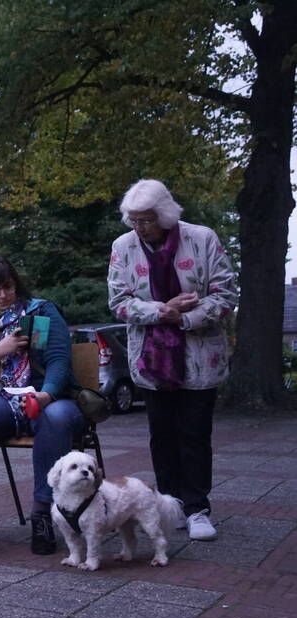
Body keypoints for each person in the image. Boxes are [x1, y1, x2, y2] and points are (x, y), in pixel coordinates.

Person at [108, 179, 237, 541]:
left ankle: (197, 508)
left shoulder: (203, 239)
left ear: (164, 215)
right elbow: (118, 300)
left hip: (199, 357)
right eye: (133, 220)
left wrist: (184, 318)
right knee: (161, 434)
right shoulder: (123, 247)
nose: (139, 227)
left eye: (146, 220)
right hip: (151, 359)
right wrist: (162, 311)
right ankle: (172, 504)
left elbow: (226, 294)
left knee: (194, 432)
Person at [0, 256, 85, 555]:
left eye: (8, 287)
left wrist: (48, 393)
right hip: (4, 403)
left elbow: (58, 361)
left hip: (47, 399)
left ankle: (42, 512)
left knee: (55, 416)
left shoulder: (39, 313)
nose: (3, 296)